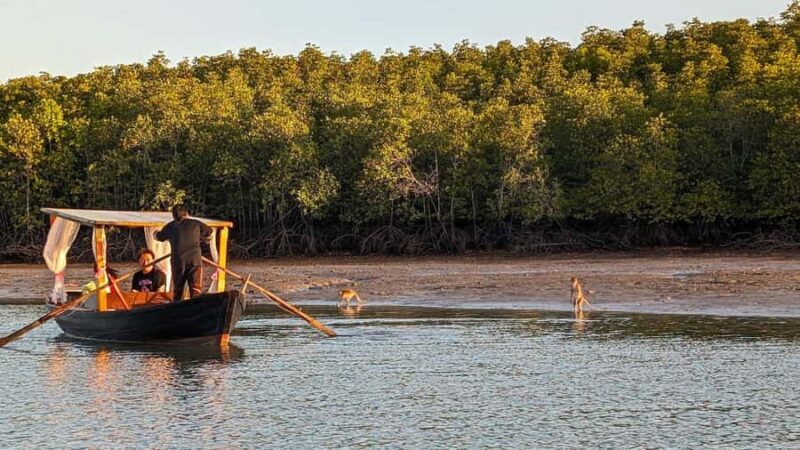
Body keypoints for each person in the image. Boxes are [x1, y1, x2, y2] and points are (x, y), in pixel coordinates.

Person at [154, 204, 213, 300]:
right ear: (186, 213)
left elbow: (158, 237)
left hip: (178, 262)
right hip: (194, 261)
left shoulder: (170, 226)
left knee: (178, 291)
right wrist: (201, 238)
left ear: (173, 216)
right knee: (195, 290)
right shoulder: (196, 223)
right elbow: (210, 232)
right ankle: (196, 306)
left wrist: (155, 233)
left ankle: (176, 307)